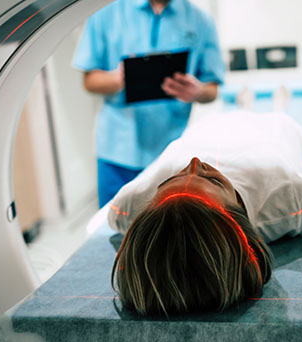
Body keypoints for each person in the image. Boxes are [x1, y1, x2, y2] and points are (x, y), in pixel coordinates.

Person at [108, 111, 302, 315]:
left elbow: (116, 212)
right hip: (273, 125)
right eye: (214, 181)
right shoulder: (284, 199)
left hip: (207, 123)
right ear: (238, 214)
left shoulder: (130, 206)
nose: (194, 162)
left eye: (171, 179)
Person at [73, 0, 225, 207]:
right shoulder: (104, 13)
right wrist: (122, 78)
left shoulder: (200, 20)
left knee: (170, 225)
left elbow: (212, 89)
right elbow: (89, 81)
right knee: (113, 223)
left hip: (172, 154)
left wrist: (196, 91)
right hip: (117, 150)